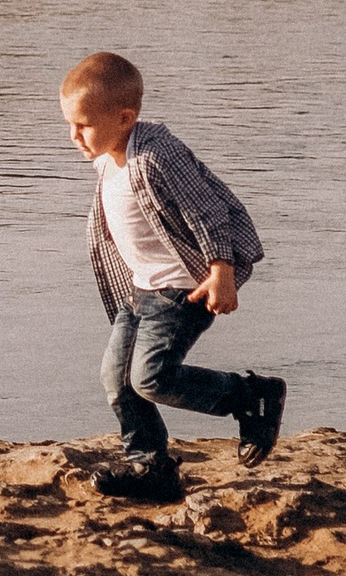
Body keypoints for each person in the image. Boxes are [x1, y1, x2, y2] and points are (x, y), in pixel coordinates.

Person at [62, 49, 283, 502]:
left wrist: (222, 270)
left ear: (124, 118)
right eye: (70, 124)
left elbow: (208, 211)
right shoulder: (107, 159)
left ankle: (249, 397)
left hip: (186, 287)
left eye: (83, 124)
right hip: (141, 290)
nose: (74, 136)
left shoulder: (157, 154)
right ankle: (150, 466)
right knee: (117, 380)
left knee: (152, 377)